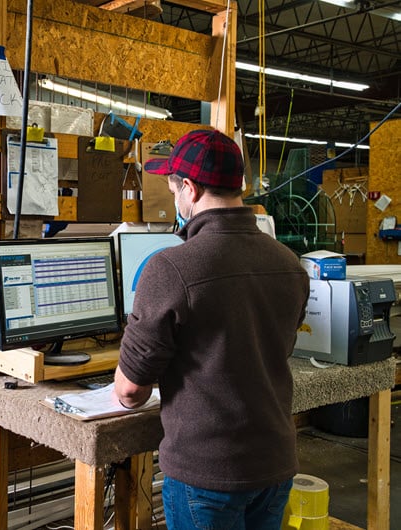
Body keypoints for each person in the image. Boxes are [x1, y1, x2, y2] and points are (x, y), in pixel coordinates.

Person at [113, 129, 310, 529]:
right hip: (274, 464)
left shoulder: (170, 268)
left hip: (207, 475)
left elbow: (131, 391)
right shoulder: (289, 263)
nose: (175, 201)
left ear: (190, 189)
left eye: (173, 191)